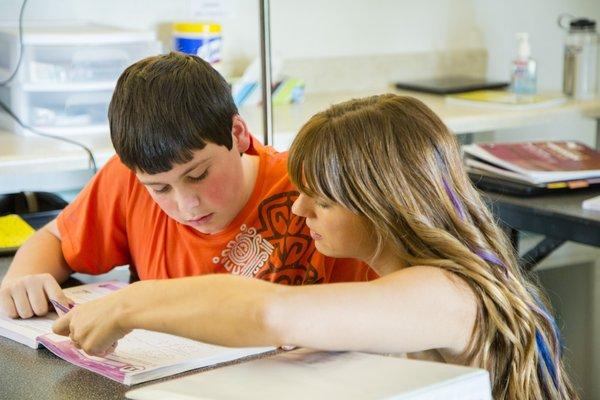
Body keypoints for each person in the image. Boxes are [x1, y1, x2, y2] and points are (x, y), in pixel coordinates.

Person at [53, 94, 577, 399]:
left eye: (320, 200)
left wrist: (130, 304)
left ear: (379, 204)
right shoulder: (408, 287)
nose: (299, 211)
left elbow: (272, 313)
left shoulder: (448, 291)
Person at [0, 52, 374, 320]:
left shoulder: (311, 192)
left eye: (198, 175)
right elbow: (53, 240)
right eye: (160, 189)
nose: (187, 204)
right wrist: (21, 279)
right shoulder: (128, 177)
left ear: (238, 134)